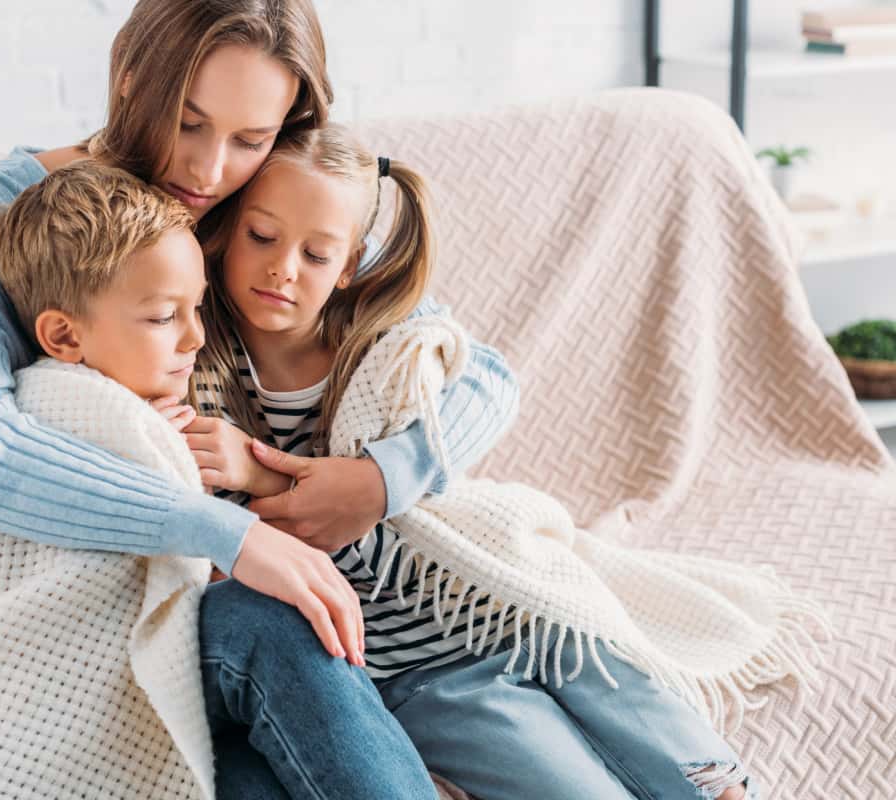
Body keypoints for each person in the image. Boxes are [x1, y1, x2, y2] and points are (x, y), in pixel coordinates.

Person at [0, 0, 517, 796]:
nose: (206, 170)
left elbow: (479, 373)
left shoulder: (267, 206)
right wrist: (227, 533)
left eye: (249, 138)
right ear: (131, 77)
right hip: (86, 603)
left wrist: (381, 479)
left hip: (221, 610)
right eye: (187, 122)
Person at [191, 122, 755, 800]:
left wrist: (375, 477)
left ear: (349, 268)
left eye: (316, 254)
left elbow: (486, 381)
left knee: (705, 776)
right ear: (226, 229)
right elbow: (244, 551)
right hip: (422, 676)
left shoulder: (384, 342)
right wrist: (257, 481)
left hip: (505, 603)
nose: (283, 267)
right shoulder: (202, 373)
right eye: (262, 237)